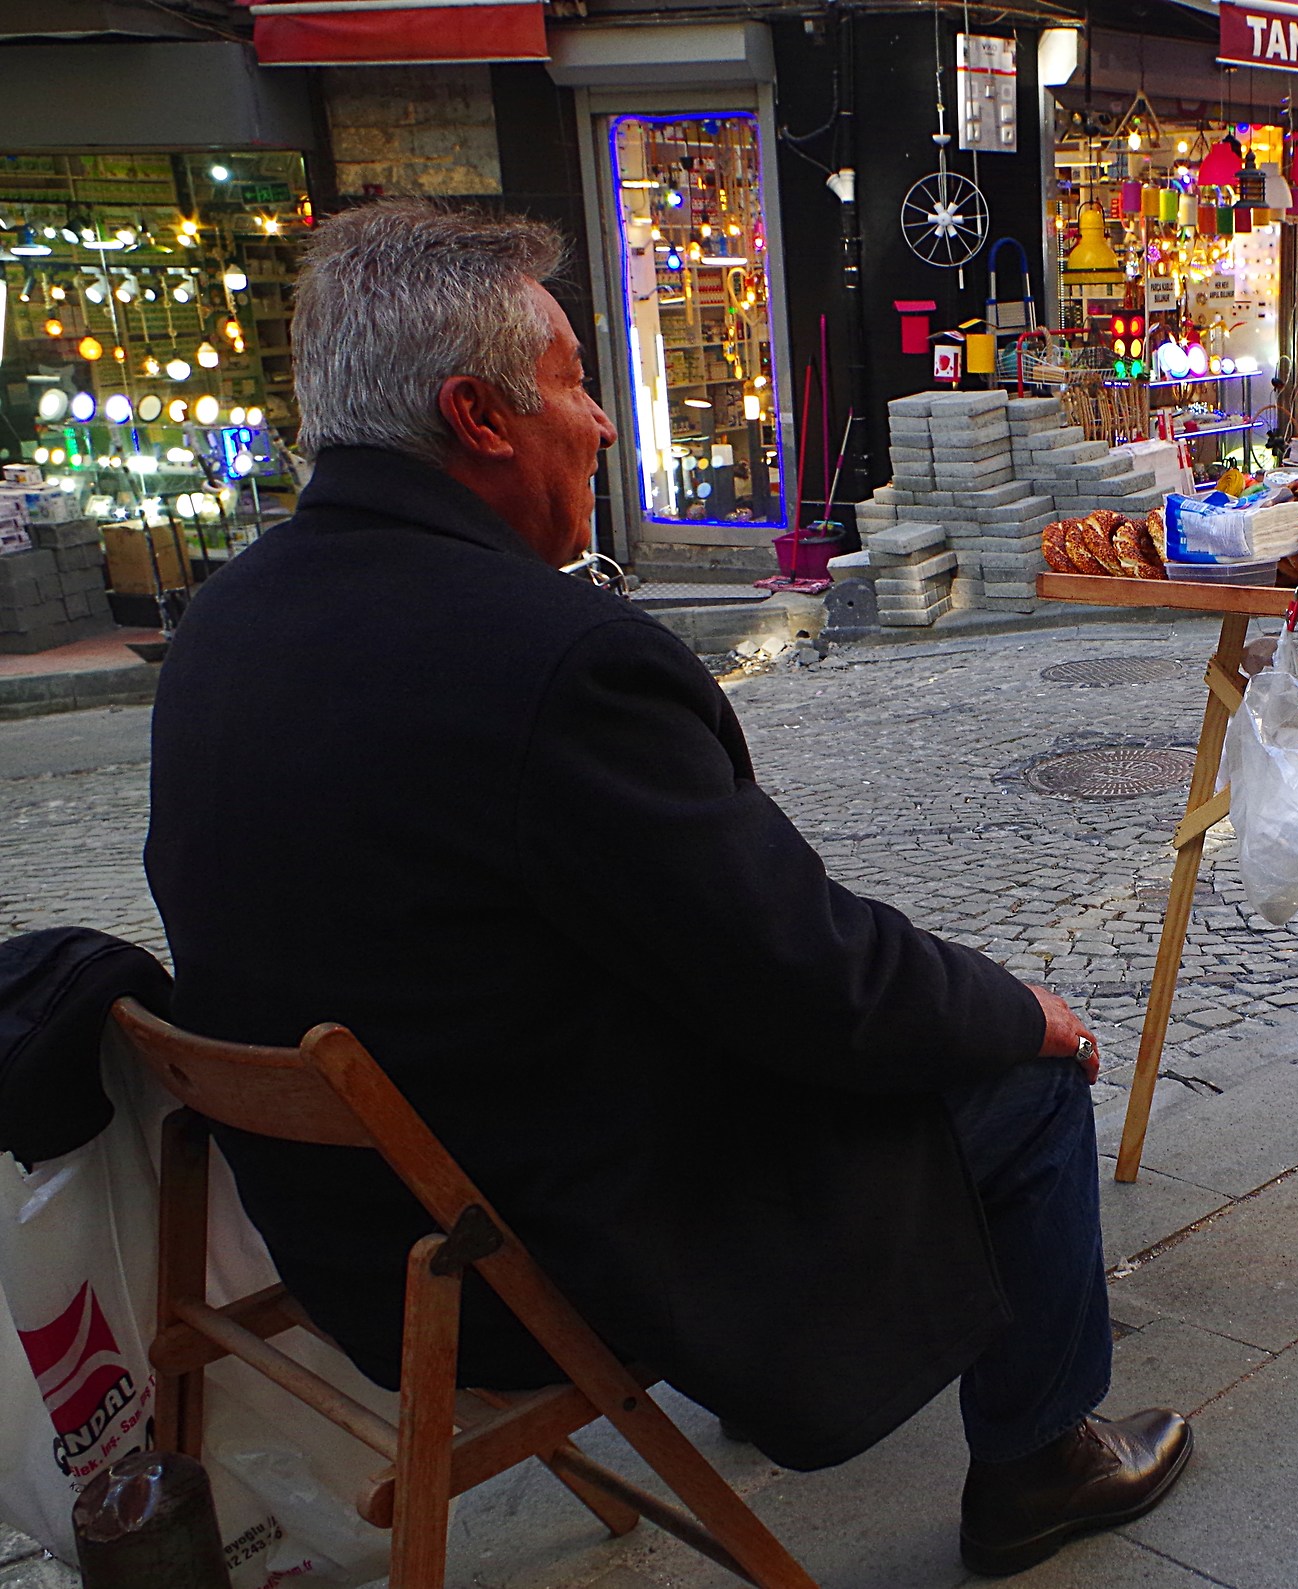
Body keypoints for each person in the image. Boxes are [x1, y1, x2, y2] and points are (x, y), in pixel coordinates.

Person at [142, 201, 1190, 1579]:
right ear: (479, 416)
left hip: (347, 1236)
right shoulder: (558, 657)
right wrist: (1025, 1011)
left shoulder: (229, 613)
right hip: (537, 1258)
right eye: (574, 381)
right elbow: (812, 979)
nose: (602, 422)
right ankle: (1041, 1461)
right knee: (1021, 1073)